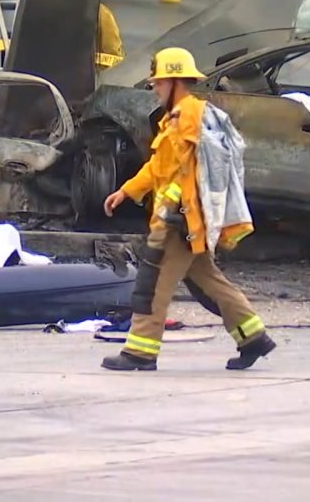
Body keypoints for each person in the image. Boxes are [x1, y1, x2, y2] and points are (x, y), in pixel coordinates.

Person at [101, 47, 277, 372]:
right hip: (185, 220)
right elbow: (159, 166)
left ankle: (140, 351)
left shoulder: (189, 118)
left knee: (153, 285)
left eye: (158, 82)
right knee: (211, 281)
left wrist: (173, 214)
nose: (153, 87)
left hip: (178, 222)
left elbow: (188, 174)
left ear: (175, 82)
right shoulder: (177, 119)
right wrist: (127, 191)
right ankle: (254, 338)